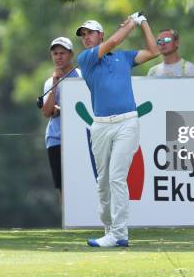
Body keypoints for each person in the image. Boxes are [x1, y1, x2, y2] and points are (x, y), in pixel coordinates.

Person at [76, 13, 158, 248]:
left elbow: (153, 51)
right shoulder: (86, 59)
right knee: (103, 182)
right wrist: (131, 22)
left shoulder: (124, 58)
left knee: (117, 177)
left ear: (99, 34)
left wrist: (144, 23)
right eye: (83, 35)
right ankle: (109, 227)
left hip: (127, 122)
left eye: (90, 33)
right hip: (101, 125)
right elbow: (112, 42)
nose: (86, 38)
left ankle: (119, 233)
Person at [40, 37, 81, 203]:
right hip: (56, 138)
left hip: (79, 138)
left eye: (62, 53)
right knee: (61, 185)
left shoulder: (82, 77)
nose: (58, 57)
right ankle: (68, 222)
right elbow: (47, 111)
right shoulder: (50, 82)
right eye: (55, 53)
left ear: (71, 54)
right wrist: (55, 86)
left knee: (80, 181)